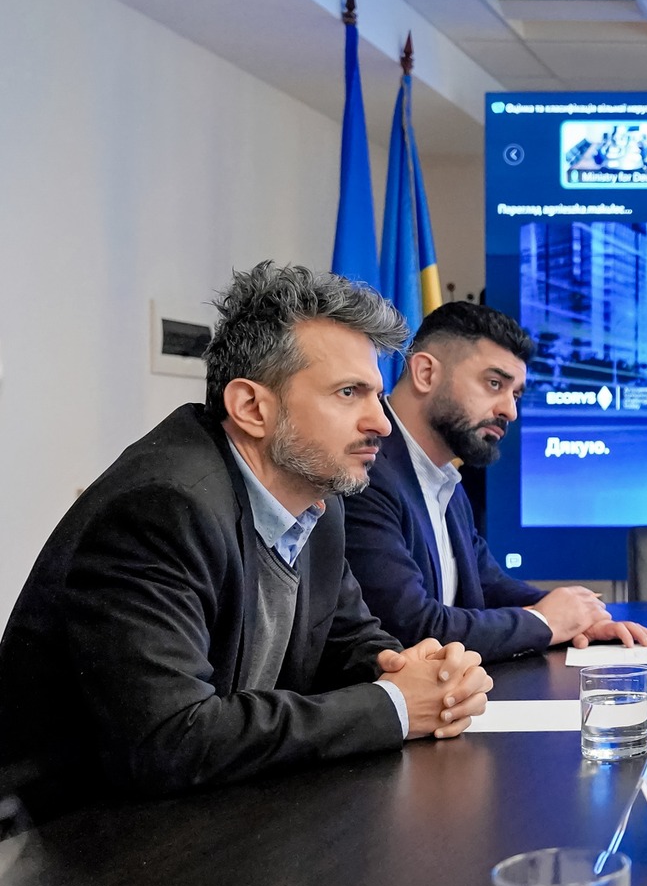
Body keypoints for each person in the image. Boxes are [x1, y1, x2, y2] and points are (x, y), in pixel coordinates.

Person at [0, 264, 491, 814]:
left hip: (210, 810)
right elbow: (168, 739)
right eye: (349, 393)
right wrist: (395, 705)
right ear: (252, 408)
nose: (380, 422)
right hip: (64, 837)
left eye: (376, 395)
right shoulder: (163, 508)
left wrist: (418, 671)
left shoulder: (317, 498)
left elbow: (346, 640)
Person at [344, 302, 647, 662]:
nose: (509, 410)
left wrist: (578, 619)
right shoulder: (363, 470)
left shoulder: (445, 479)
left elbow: (487, 584)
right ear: (426, 373)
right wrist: (546, 621)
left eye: (516, 394)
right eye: (494, 384)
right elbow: (409, 627)